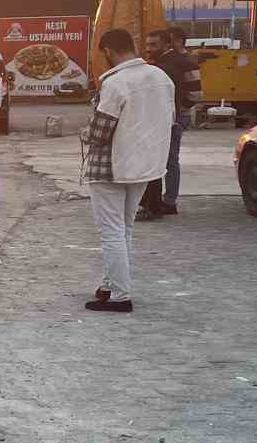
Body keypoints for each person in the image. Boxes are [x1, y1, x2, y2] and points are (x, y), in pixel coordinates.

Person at [82, 27, 174, 313]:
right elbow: (169, 120)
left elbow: (99, 133)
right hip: (145, 165)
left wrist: (85, 131)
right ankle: (109, 285)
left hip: (109, 167)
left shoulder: (116, 83)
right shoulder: (162, 78)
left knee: (111, 231)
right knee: (125, 229)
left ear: (108, 51)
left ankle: (121, 296)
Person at [137, 26, 202, 219]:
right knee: (166, 158)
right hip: (171, 115)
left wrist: (180, 110)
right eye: (147, 44)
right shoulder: (161, 62)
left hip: (174, 116)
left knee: (168, 159)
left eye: (153, 44)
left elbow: (196, 94)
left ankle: (168, 201)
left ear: (168, 43)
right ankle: (165, 201)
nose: (148, 48)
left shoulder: (180, 62)